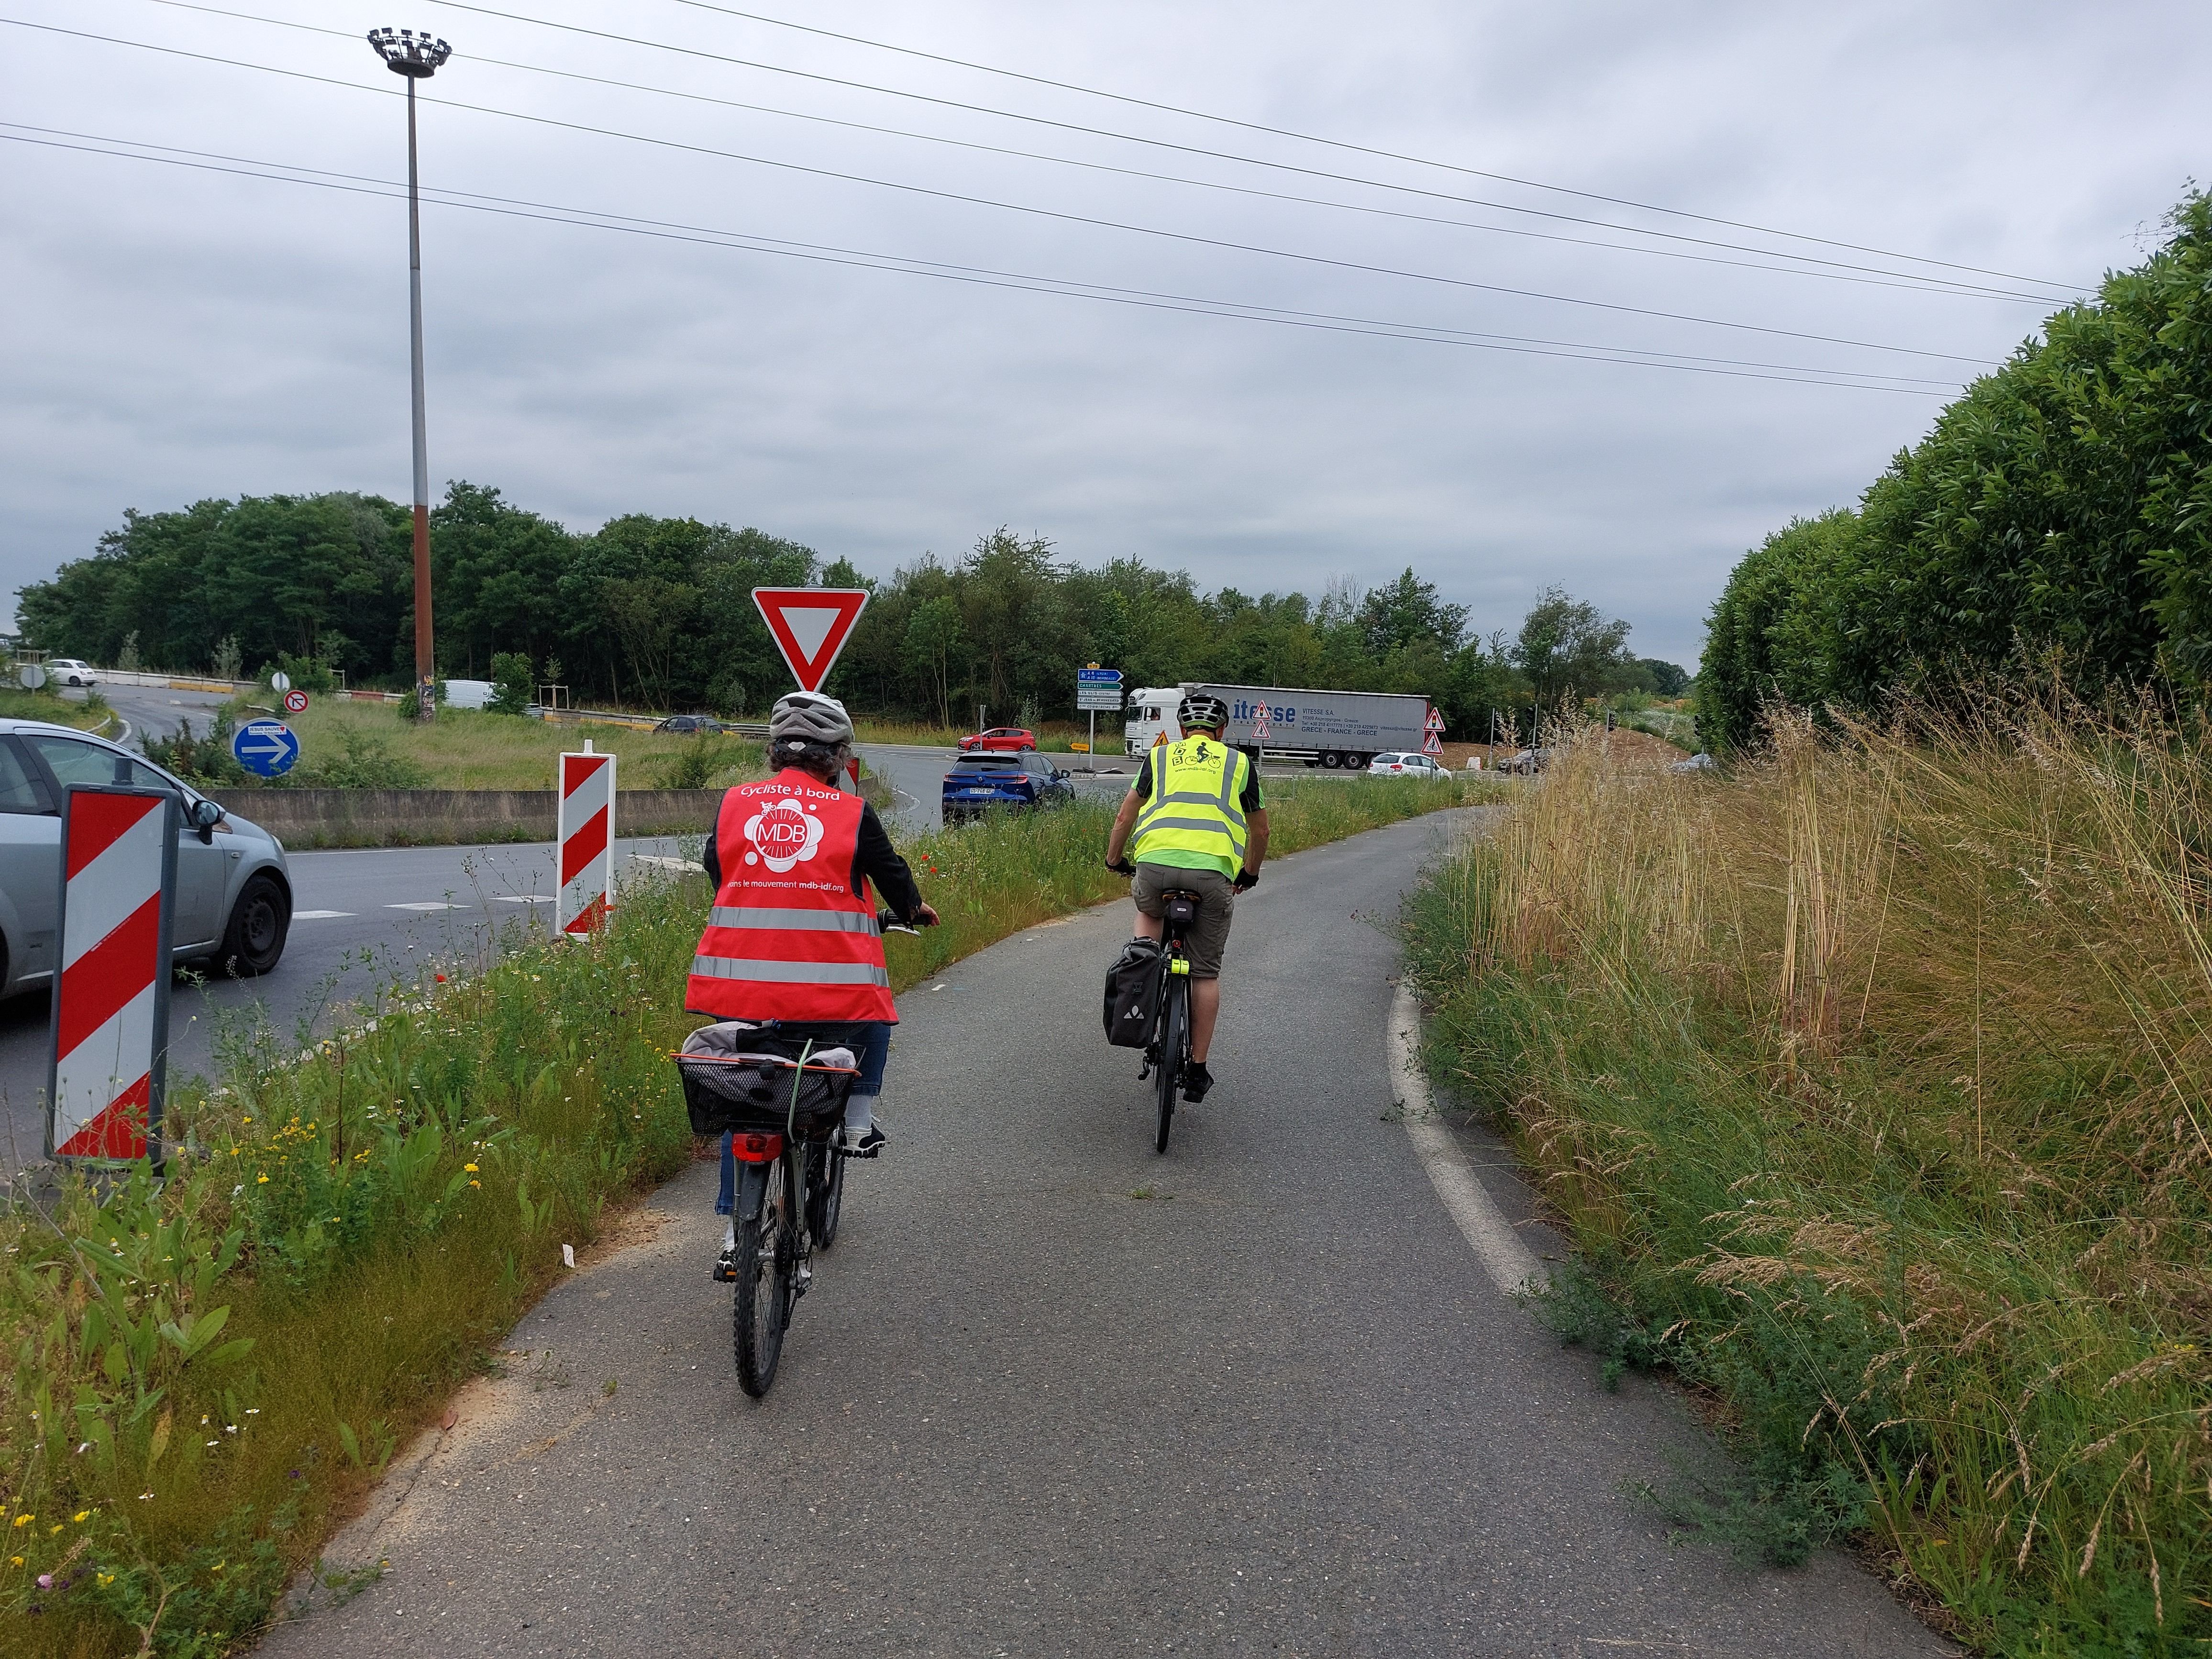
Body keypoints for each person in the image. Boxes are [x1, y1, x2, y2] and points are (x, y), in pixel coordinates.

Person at [688, 690, 937, 1278]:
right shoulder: (851, 813)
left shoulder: (734, 804)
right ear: (839, 759)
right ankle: (855, 1119)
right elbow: (892, 876)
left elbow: (715, 869)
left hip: (736, 988)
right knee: (875, 1014)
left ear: (775, 755)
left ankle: (733, 1231)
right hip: (828, 994)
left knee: (742, 1096)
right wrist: (911, 907)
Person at [1103, 692, 1268, 1102]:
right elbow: (1260, 831)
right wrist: (1249, 873)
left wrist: (1114, 860)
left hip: (1156, 868)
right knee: (1205, 973)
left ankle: (1141, 959)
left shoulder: (1159, 758)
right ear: (1223, 731)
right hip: (1213, 875)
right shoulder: (1239, 763)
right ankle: (1197, 1068)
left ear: (1181, 729)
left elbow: (1127, 815)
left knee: (1148, 913)